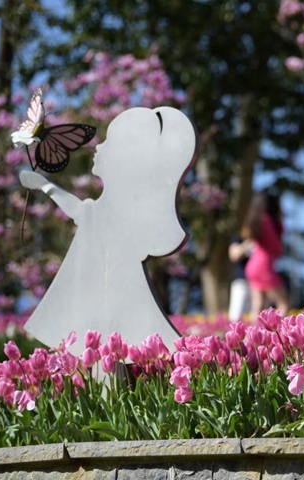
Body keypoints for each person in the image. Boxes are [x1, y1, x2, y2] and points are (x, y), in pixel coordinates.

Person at [19, 107, 194, 352]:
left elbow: (79, 212)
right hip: (100, 292)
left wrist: (44, 186)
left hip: (115, 293)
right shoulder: (102, 209)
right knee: (101, 347)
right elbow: (79, 210)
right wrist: (44, 185)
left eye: (108, 142)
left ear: (126, 159)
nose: (98, 147)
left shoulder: (123, 213)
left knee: (112, 342)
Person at [244, 192, 289, 316]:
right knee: (283, 303)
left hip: (253, 266)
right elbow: (276, 247)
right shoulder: (267, 221)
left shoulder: (258, 221)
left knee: (258, 306)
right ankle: (279, 332)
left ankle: (255, 333)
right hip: (264, 267)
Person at [227, 234, 252, 322]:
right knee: (235, 315)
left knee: (256, 316)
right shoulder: (238, 239)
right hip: (241, 282)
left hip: (258, 283)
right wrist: (248, 243)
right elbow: (234, 255)